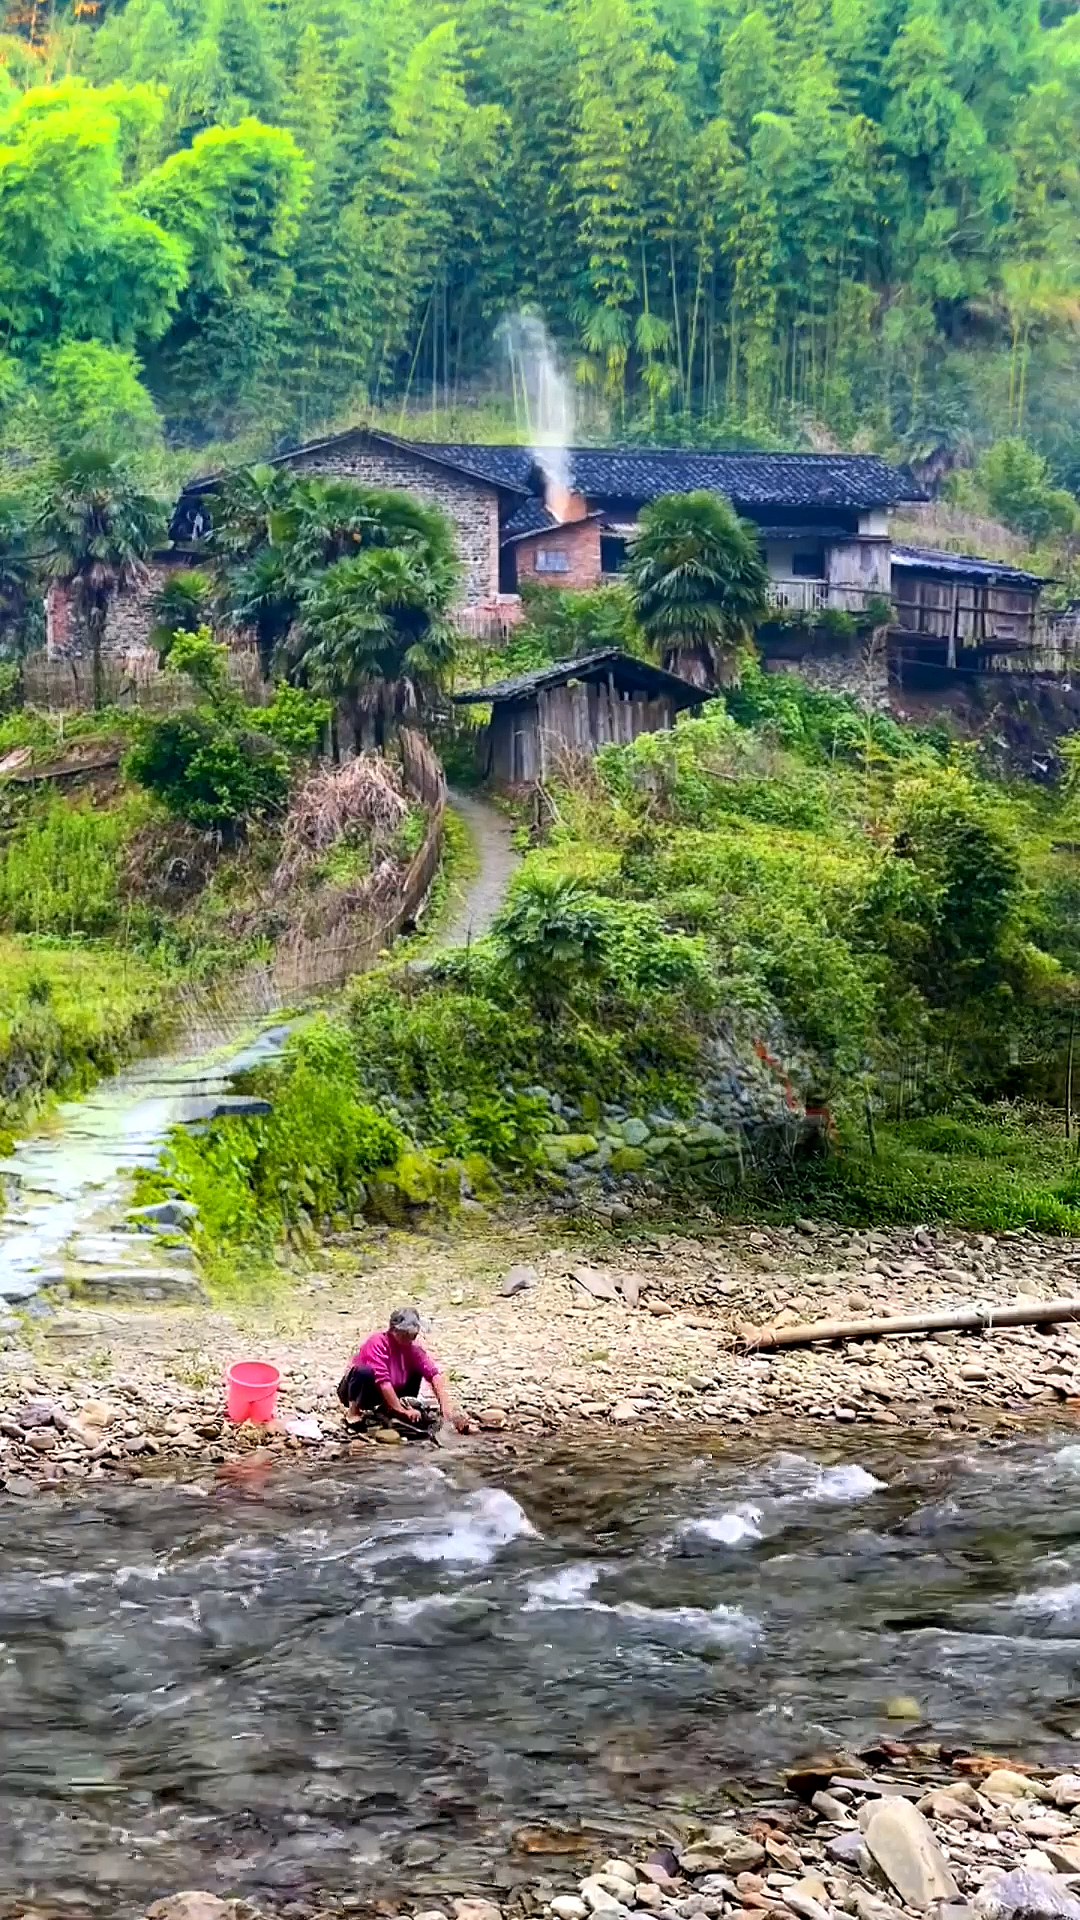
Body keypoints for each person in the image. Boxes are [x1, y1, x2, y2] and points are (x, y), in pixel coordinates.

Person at [338, 1306, 472, 1434]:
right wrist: (402, 1410)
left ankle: (388, 1409)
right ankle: (353, 1412)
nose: (410, 1337)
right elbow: (383, 1381)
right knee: (364, 1372)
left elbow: (433, 1375)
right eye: (405, 1333)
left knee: (416, 1371)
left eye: (413, 1334)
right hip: (361, 1390)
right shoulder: (377, 1343)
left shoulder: (414, 1349)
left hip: (390, 1391)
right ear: (394, 1330)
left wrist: (445, 1407)